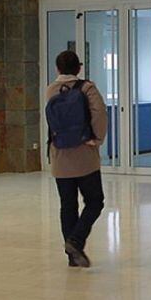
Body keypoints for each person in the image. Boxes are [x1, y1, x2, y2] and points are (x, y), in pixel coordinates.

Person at [46, 50, 107, 268]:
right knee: (95, 201)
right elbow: (99, 113)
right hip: (85, 158)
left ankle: (72, 256)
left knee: (67, 205)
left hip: (60, 157)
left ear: (57, 69)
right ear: (79, 68)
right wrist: (97, 139)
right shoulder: (87, 88)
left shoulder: (51, 90)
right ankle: (76, 240)